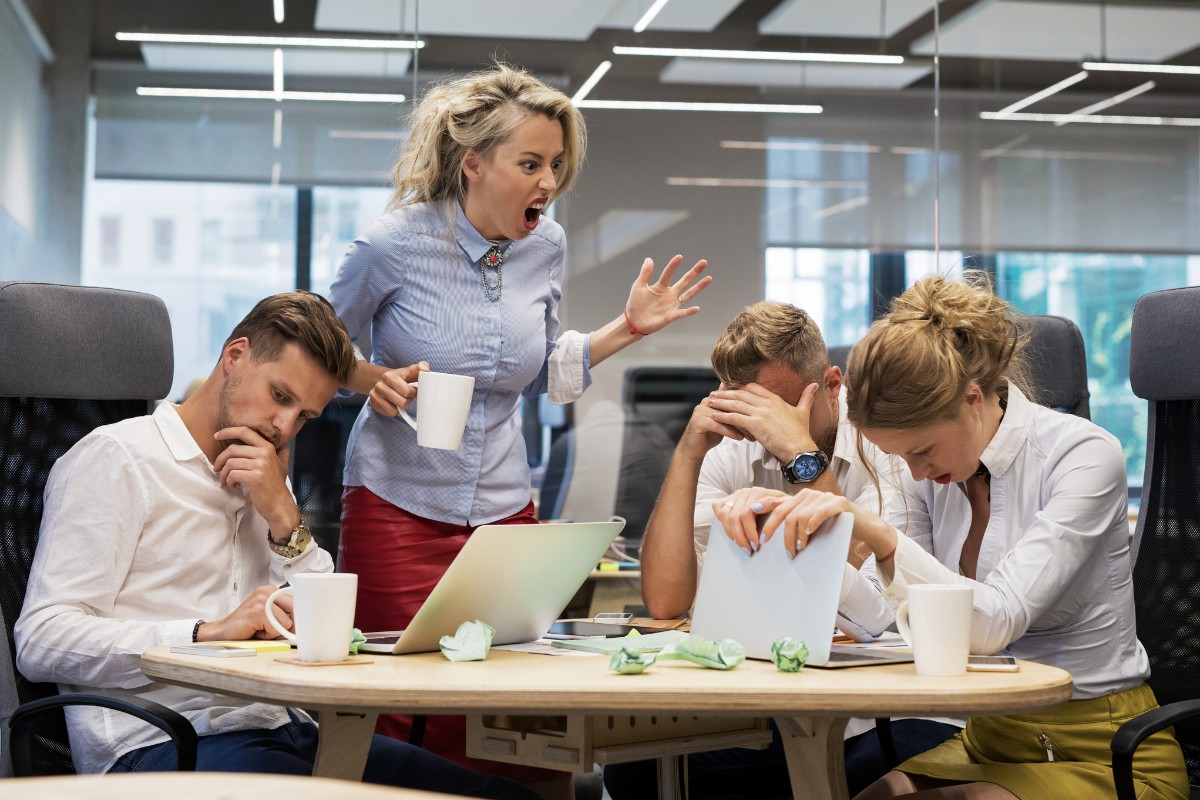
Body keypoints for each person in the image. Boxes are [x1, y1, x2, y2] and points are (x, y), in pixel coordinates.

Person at [327, 62, 710, 785]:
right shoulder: (391, 245)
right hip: (397, 504)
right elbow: (316, 346)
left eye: (557, 165)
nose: (549, 182)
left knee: (508, 706)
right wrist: (367, 378)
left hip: (505, 510)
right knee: (401, 705)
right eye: (530, 163)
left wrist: (626, 328)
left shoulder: (547, 246)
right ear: (473, 163)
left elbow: (535, 369)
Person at [14, 292, 536, 800]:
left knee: (508, 795)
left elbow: (328, 624)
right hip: (159, 741)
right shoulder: (117, 460)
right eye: (281, 397)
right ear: (235, 356)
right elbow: (41, 639)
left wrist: (285, 519)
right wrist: (205, 633)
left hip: (281, 727)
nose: (286, 427)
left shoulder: (269, 479)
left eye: (305, 415)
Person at [714, 276, 1190, 800]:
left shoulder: (1083, 456)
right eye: (902, 458)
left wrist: (878, 534)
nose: (916, 473)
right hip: (989, 738)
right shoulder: (930, 473)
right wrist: (807, 537)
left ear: (971, 398)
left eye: (922, 450)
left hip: (1103, 748)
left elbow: (996, 622)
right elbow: (880, 623)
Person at [604, 301, 960, 799]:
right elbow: (664, 601)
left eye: (778, 409)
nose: (761, 432)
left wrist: (802, 454)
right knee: (633, 774)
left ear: (832, 386)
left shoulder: (889, 445)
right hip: (776, 706)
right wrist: (688, 449)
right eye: (749, 412)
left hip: (883, 709)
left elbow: (860, 597)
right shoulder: (735, 445)